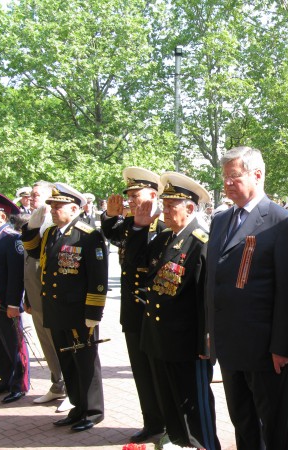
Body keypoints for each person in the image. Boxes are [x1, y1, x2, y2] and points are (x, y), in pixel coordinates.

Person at [205, 146, 288, 450]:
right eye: (225, 177)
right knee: (243, 423)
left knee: (274, 429)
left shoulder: (280, 221)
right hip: (230, 345)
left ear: (257, 175)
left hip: (266, 352)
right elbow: (214, 281)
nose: (227, 183)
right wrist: (211, 333)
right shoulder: (221, 220)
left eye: (234, 176)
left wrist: (283, 346)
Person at [132, 171, 219, 450]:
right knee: (171, 408)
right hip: (159, 338)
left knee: (195, 412)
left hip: (187, 343)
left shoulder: (200, 243)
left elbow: (206, 299)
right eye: (164, 204)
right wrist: (139, 228)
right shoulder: (163, 239)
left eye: (171, 206)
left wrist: (206, 342)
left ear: (190, 209)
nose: (165, 211)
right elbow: (134, 265)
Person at [21, 183, 107, 432]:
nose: (53, 210)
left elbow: (98, 276)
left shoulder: (88, 235)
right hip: (56, 309)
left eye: (59, 206)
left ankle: (93, 412)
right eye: (52, 205)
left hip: (79, 312)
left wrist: (93, 312)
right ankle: (77, 408)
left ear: (74, 209)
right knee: (67, 361)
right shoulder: (51, 233)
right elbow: (33, 251)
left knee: (85, 362)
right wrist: (31, 228)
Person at [100, 167, 166, 444]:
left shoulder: (162, 226)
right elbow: (113, 235)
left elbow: (139, 259)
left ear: (153, 195)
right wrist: (109, 216)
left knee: (158, 373)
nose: (130, 200)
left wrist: (138, 226)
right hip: (132, 310)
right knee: (141, 372)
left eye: (135, 195)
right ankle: (151, 421)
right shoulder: (132, 222)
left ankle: (167, 424)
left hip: (154, 311)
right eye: (128, 195)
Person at [22, 181, 69, 408]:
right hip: (36, 295)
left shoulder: (54, 227)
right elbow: (29, 262)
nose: (32, 199)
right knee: (46, 344)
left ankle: (71, 387)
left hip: (53, 298)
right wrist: (27, 297)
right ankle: (57, 384)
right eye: (31, 195)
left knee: (60, 344)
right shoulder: (35, 224)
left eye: (36, 195)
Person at [0, 191, 29, 403]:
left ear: (2, 216)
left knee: (13, 344)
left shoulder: (12, 239)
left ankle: (19, 384)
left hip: (6, 303)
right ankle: (5, 379)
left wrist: (14, 303)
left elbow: (16, 275)